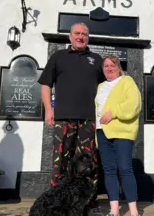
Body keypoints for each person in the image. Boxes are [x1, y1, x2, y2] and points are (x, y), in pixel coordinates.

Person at [38, 22, 105, 215]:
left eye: (84, 34)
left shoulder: (96, 59)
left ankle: (89, 202)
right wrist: (49, 110)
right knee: (61, 161)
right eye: (77, 33)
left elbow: (106, 88)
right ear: (70, 37)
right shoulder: (58, 57)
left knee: (89, 162)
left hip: (89, 119)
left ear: (88, 37)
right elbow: (45, 85)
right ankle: (56, 201)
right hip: (64, 118)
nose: (80, 37)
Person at [95, 55, 142, 216]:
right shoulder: (100, 86)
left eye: (112, 65)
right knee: (108, 170)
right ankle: (114, 210)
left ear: (119, 67)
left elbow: (134, 104)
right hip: (102, 131)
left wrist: (114, 113)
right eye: (106, 66)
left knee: (125, 168)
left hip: (122, 131)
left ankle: (133, 211)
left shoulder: (126, 81)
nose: (109, 68)